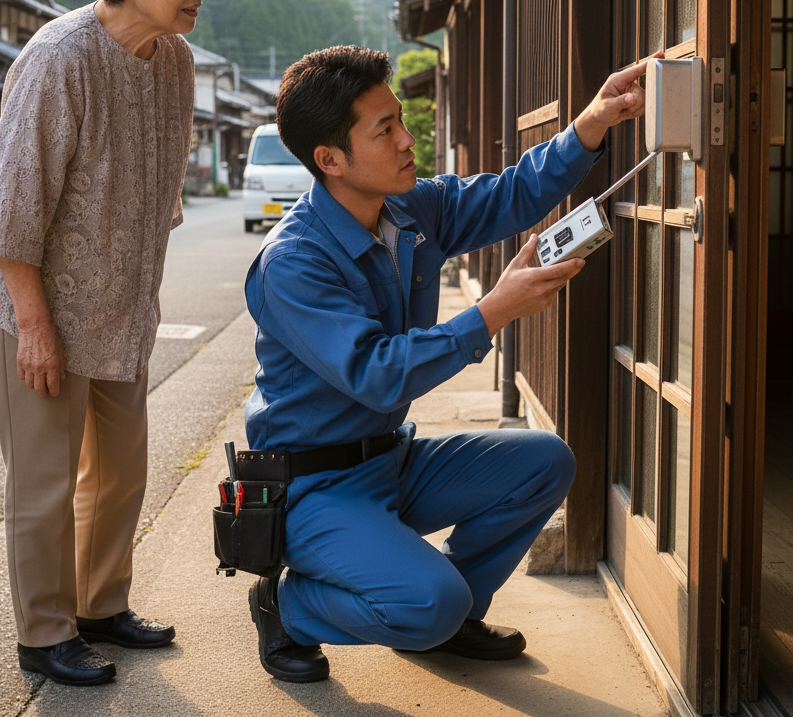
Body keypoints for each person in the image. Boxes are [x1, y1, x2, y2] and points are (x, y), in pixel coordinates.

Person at [243, 45, 650, 682]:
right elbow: (379, 374)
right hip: (312, 488)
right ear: (330, 160)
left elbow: (513, 193)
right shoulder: (292, 263)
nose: (408, 141)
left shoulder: (409, 208)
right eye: (385, 130)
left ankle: (442, 615)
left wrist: (594, 121)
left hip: (388, 460)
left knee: (546, 461)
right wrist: (493, 312)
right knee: (427, 600)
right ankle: (286, 605)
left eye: (400, 120)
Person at [0, 0, 212, 686]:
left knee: (121, 468)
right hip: (42, 307)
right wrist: (33, 326)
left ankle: (102, 604)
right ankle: (43, 631)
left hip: (121, 305)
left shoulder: (172, 61)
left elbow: (152, 195)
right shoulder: (57, 59)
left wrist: (140, 289)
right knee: (43, 480)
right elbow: (9, 213)